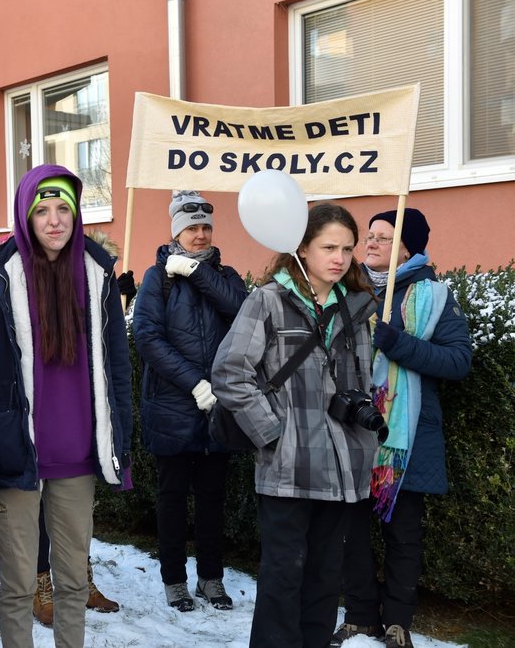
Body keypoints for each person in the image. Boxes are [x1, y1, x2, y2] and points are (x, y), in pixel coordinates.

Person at [0, 164, 133, 648]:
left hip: (78, 456)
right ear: (25, 216)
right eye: (43, 210)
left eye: (65, 209)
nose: (55, 220)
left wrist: (120, 443)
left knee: (74, 581)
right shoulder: (0, 274)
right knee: (18, 586)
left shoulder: (97, 274)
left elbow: (118, 369)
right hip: (18, 455)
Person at [211, 203, 379, 648]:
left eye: (346, 248)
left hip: (342, 470)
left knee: (325, 580)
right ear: (302, 248)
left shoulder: (356, 307)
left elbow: (362, 384)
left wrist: (365, 442)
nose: (339, 258)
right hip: (287, 468)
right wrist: (272, 433)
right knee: (284, 579)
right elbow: (230, 372)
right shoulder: (267, 300)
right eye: (328, 247)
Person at [332, 208, 472, 648]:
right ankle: (359, 615)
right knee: (349, 527)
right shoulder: (345, 289)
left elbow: (458, 360)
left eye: (382, 238)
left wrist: (398, 344)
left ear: (408, 248)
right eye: (369, 235)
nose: (369, 243)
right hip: (351, 428)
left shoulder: (434, 296)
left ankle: (396, 623)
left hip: (405, 436)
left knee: (403, 532)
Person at [132, 190, 248, 612]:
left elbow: (242, 311)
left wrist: (199, 274)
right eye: (191, 227)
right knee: (173, 497)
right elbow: (147, 337)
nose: (199, 235)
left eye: (205, 228)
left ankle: (211, 578)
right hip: (173, 406)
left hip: (219, 407)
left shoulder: (226, 275)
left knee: (213, 498)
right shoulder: (156, 278)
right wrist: (194, 383)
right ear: (176, 230)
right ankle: (175, 581)